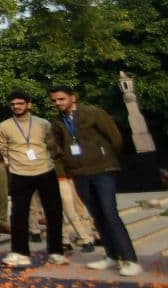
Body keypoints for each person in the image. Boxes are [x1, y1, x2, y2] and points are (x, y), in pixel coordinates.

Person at [48, 85, 143, 277]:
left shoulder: (92, 113)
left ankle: (129, 258)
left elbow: (114, 137)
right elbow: (57, 148)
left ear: (72, 98)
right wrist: (67, 168)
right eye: (54, 100)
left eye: (61, 99)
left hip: (102, 169)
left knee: (110, 212)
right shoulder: (57, 122)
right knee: (97, 215)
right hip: (79, 172)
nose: (57, 103)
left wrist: (105, 157)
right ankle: (111, 255)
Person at [0, 91, 65, 269]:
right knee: (19, 215)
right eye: (13, 104)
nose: (16, 107)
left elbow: (52, 144)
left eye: (20, 103)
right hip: (20, 173)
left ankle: (56, 251)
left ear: (28, 104)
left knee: (53, 212)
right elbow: (1, 146)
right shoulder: (5, 126)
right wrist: (10, 161)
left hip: (45, 170)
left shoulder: (43, 123)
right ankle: (20, 252)